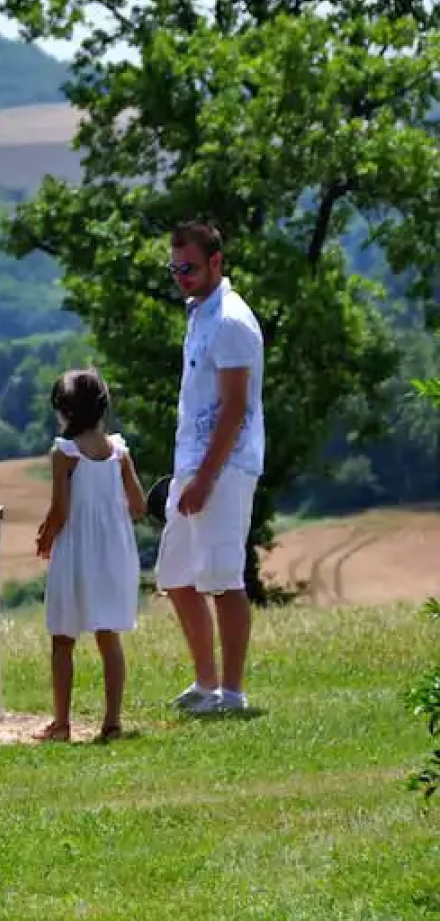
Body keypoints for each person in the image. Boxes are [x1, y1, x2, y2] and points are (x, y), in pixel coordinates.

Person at [158, 220, 266, 715]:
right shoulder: (199, 314)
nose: (182, 276)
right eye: (176, 268)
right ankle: (205, 683)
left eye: (190, 268)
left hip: (225, 468)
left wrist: (205, 478)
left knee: (223, 579)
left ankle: (233, 693)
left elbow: (234, 408)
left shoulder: (231, 322)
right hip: (191, 463)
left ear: (216, 262)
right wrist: (189, 472)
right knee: (176, 574)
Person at [34, 369, 147, 743]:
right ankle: (112, 722)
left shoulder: (64, 453)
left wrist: (46, 537)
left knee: (63, 637)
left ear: (63, 410)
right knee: (108, 636)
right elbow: (138, 505)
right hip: (113, 553)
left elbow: (61, 510)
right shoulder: (119, 452)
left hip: (76, 552)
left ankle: (61, 723)